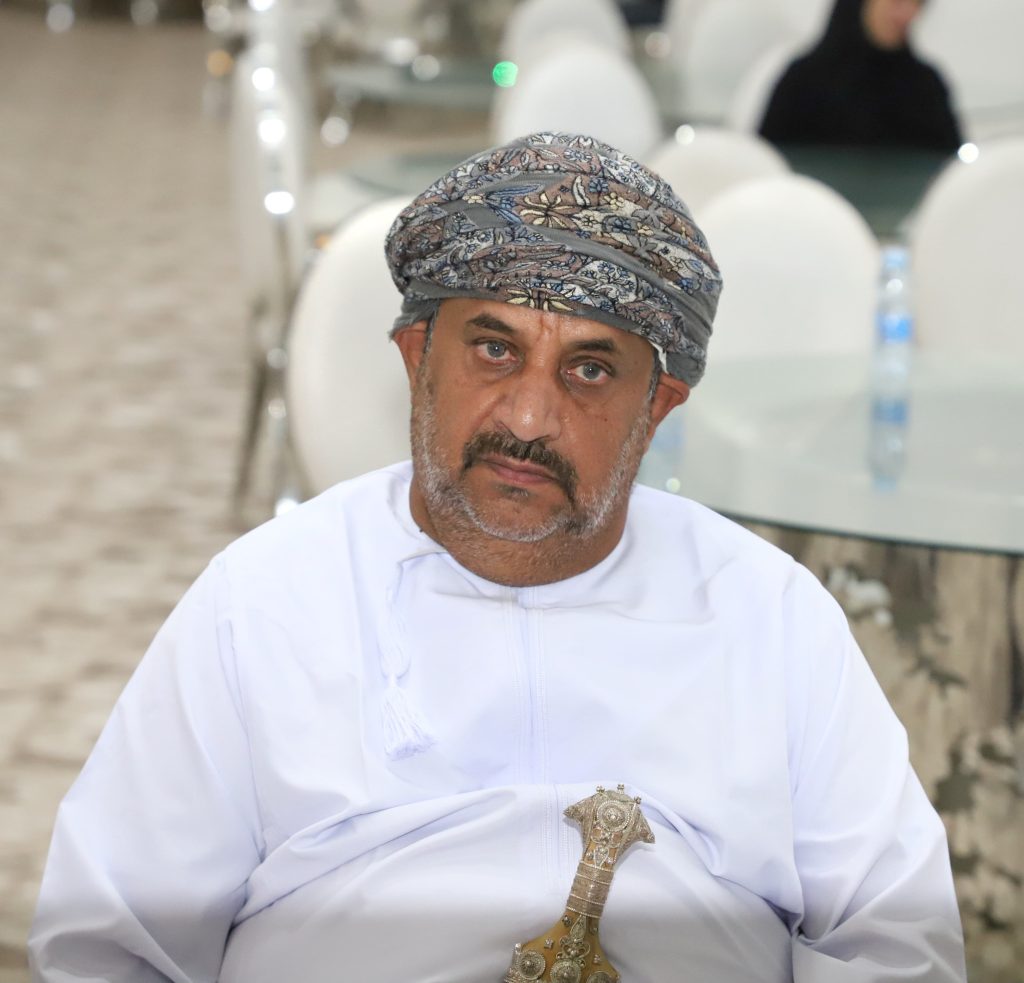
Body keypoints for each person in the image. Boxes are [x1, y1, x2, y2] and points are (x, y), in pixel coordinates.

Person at [28, 132, 966, 982]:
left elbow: (897, 939)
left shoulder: (768, 613)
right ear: (415, 356)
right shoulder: (266, 599)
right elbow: (109, 943)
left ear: (658, 407)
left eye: (589, 370)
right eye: (493, 349)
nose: (528, 417)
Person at [759, 0, 962, 152]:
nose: (907, 14)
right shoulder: (802, 80)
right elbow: (767, 164)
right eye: (896, 2)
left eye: (917, 4)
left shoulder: (926, 86)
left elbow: (950, 170)